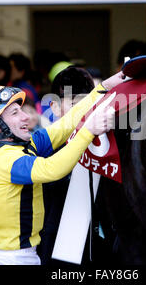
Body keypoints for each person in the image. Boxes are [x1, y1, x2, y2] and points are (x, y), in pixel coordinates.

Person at [0, 70, 125, 265]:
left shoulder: (20, 146)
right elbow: (53, 168)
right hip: (11, 259)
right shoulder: (5, 159)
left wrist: (104, 88)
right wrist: (89, 130)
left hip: (23, 256)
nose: (26, 117)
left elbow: (65, 125)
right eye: (15, 113)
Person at [38, 66, 95, 265]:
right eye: (74, 104)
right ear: (53, 106)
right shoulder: (40, 145)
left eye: (87, 103)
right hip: (52, 243)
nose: (82, 110)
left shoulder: (101, 146)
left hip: (93, 244)